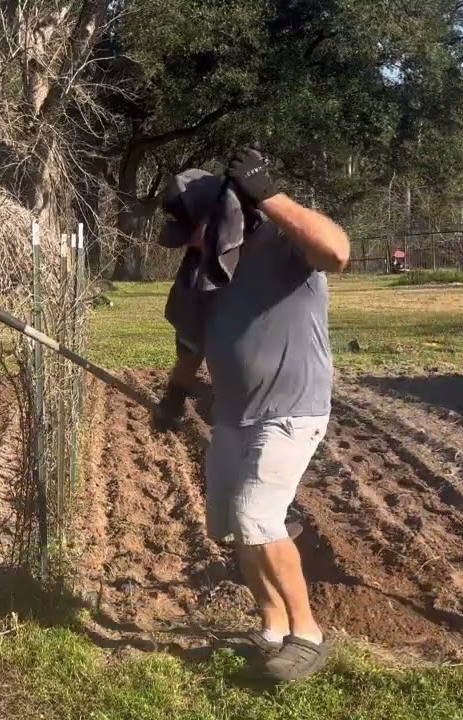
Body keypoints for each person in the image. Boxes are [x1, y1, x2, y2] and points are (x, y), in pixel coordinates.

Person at [156, 148, 350, 683]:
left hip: (291, 408)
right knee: (233, 526)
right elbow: (192, 342)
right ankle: (270, 628)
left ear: (221, 219)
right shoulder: (205, 270)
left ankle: (306, 635)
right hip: (234, 415)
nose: (189, 245)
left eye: (194, 230)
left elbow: (336, 252)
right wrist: (175, 395)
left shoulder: (282, 244)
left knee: (254, 517)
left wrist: (272, 193)